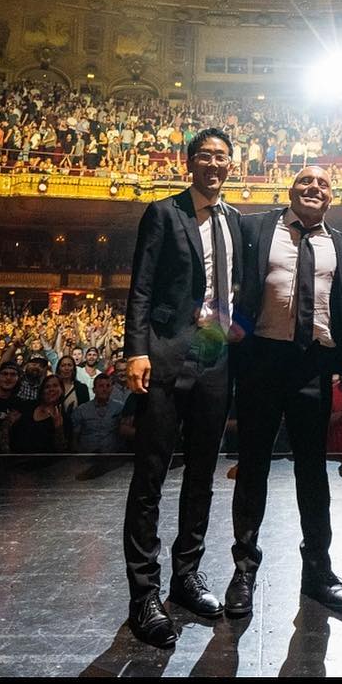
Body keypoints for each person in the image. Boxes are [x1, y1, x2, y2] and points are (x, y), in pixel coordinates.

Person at [120, 127, 244, 646]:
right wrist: (136, 350)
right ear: (189, 162)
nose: (213, 164)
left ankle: (185, 574)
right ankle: (143, 593)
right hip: (166, 355)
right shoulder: (163, 212)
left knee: (202, 475)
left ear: (230, 165)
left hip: (215, 357)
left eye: (222, 157)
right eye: (205, 156)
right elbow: (142, 285)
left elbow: (239, 289)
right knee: (151, 475)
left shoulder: (235, 221)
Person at [225, 165, 342, 621]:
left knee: (312, 469)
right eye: (306, 181)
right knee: (254, 464)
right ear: (291, 189)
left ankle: (318, 569)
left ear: (331, 197)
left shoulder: (340, 243)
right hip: (260, 358)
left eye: (323, 184)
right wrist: (215, 347)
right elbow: (233, 289)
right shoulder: (256, 226)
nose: (314, 188)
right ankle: (244, 567)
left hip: (311, 363)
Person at [67, 373, 122, 454]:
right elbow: (74, 437)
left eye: (108, 386)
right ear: (94, 390)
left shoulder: (119, 408)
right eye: (101, 386)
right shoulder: (82, 410)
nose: (105, 389)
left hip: (111, 457)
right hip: (86, 457)